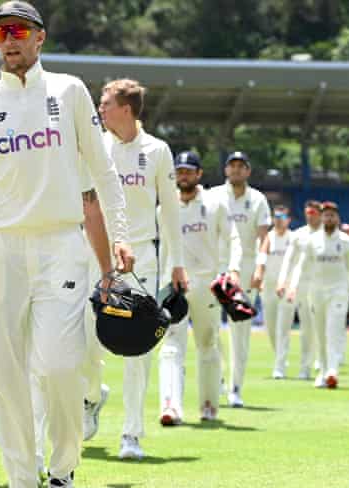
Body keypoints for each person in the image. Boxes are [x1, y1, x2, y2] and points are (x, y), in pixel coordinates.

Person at [0, 2, 133, 488]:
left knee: (58, 367)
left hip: (60, 245)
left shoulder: (69, 92)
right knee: (7, 380)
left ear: (39, 38)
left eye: (18, 31)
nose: (9, 40)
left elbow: (102, 168)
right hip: (0, 251)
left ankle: (63, 473)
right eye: (1, 32)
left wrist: (120, 237)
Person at [81, 78, 186, 460]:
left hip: (142, 258)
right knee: (85, 340)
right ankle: (91, 397)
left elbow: (170, 211)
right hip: (95, 254)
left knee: (137, 349)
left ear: (126, 109)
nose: (100, 109)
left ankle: (132, 435)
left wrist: (177, 263)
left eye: (105, 103)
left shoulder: (157, 151)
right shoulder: (95, 146)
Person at [157, 151, 235, 424]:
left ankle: (209, 406)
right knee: (170, 346)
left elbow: (232, 238)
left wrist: (231, 271)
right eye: (179, 171)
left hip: (206, 284)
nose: (184, 175)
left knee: (207, 344)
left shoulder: (216, 203)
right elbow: (163, 251)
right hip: (175, 285)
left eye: (189, 171)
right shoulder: (164, 207)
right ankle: (170, 406)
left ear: (199, 174)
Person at [214, 151, 270, 407]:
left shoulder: (257, 199)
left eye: (241, 166)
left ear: (248, 171)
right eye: (232, 166)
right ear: (226, 170)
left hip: (246, 269)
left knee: (241, 332)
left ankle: (235, 387)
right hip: (216, 266)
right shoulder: (213, 196)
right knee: (210, 328)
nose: (236, 170)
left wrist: (260, 267)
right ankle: (217, 379)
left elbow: (264, 237)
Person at [286, 201, 349, 389]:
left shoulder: (345, 242)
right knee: (320, 333)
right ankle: (323, 370)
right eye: (325, 215)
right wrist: (293, 287)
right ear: (321, 218)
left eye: (332, 215)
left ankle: (332, 371)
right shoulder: (312, 241)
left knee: (334, 330)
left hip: (339, 291)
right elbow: (302, 266)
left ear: (338, 218)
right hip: (316, 291)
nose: (329, 218)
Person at [275, 200, 322, 380]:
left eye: (314, 213)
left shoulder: (324, 236)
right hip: (292, 285)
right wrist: (281, 282)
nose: (310, 216)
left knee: (308, 330)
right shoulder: (298, 234)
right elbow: (288, 260)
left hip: (313, 286)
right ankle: (279, 367)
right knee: (283, 328)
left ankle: (305, 368)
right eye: (308, 213)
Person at [257, 205, 296, 379]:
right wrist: (259, 278)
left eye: (282, 217)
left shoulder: (294, 238)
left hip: (287, 287)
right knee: (271, 327)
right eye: (276, 217)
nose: (279, 220)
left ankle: (280, 365)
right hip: (269, 286)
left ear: (289, 220)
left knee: (283, 327)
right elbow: (261, 258)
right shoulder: (268, 238)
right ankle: (279, 356)